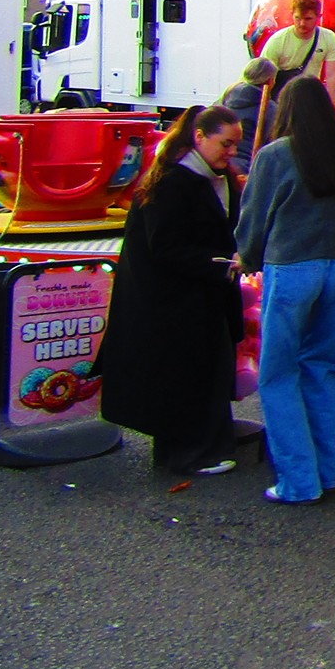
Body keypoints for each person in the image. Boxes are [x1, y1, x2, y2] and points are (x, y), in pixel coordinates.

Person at [235, 76, 335, 505]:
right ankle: (328, 473)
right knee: (324, 370)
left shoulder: (275, 154)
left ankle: (298, 481)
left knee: (277, 373)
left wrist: (247, 257)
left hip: (292, 267)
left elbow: (254, 217)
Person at [98, 105, 246, 476]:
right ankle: (187, 454)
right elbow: (163, 246)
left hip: (203, 294)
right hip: (173, 300)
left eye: (234, 145)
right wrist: (220, 264)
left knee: (207, 372)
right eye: (225, 143)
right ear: (199, 137)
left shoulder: (218, 177)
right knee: (184, 376)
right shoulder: (168, 182)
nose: (231, 152)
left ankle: (206, 447)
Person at [256, 0, 335, 104]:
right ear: (292, 15)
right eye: (298, 18)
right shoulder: (278, 40)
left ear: (319, 17)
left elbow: (332, 76)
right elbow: (264, 78)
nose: (302, 23)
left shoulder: (328, 37)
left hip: (309, 98)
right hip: (281, 100)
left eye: (308, 19)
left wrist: (331, 108)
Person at [221, 58, 277, 168]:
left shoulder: (227, 95)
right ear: (270, 81)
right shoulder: (270, 109)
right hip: (248, 166)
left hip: (223, 159)